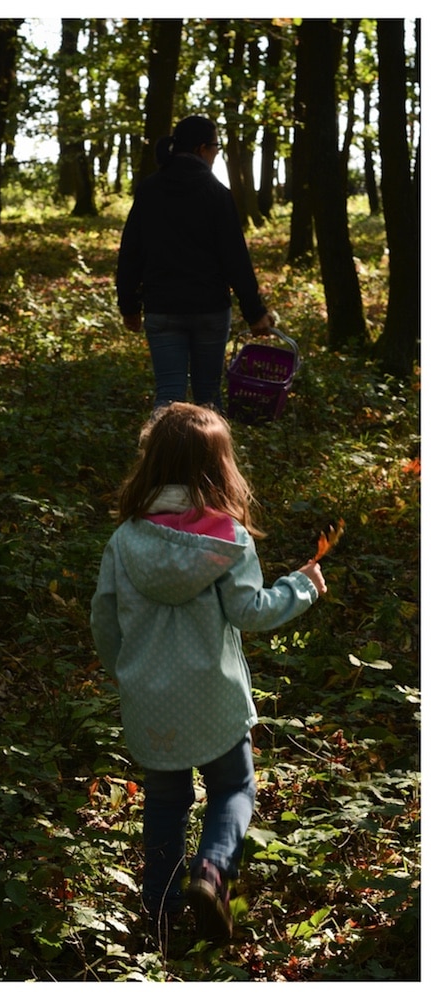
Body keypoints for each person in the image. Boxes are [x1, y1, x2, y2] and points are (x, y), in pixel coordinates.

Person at [89, 403, 325, 942]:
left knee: (166, 804)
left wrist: (122, 671)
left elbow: (104, 617)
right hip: (214, 697)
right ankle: (213, 871)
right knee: (235, 788)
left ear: (152, 464)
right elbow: (250, 612)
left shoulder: (126, 540)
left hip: (150, 696)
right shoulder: (228, 539)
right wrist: (303, 586)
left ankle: (162, 915)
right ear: (220, 468)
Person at [116, 115, 274, 410]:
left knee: (168, 398)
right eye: (216, 146)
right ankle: (211, 456)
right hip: (210, 309)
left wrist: (129, 306)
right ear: (203, 148)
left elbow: (130, 252)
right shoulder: (217, 194)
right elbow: (235, 259)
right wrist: (255, 313)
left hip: (162, 308)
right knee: (207, 398)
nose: (217, 153)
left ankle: (162, 455)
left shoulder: (149, 190)